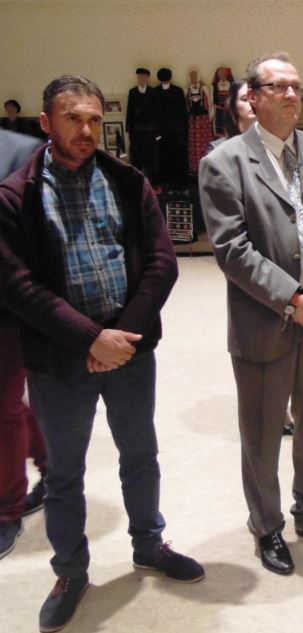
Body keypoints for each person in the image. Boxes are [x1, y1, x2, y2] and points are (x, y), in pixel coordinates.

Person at [0, 74, 203, 633]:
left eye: (93, 119)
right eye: (73, 119)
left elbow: (162, 262)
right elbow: (18, 286)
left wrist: (122, 336)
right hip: (59, 360)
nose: (86, 130)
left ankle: (149, 544)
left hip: (129, 352)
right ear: (47, 122)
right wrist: (90, 339)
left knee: (140, 454)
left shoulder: (126, 180)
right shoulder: (15, 195)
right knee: (65, 474)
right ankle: (70, 572)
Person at [199, 52, 303, 575]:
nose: (291, 94)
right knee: (263, 432)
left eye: (296, 86)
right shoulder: (224, 162)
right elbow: (232, 249)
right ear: (253, 95)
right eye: (278, 86)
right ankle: (266, 526)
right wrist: (292, 298)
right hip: (264, 320)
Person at [0, 128, 48, 562]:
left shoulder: (20, 151)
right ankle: (51, 464)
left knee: (3, 407)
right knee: (11, 406)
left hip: (8, 306)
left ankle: (6, 510)